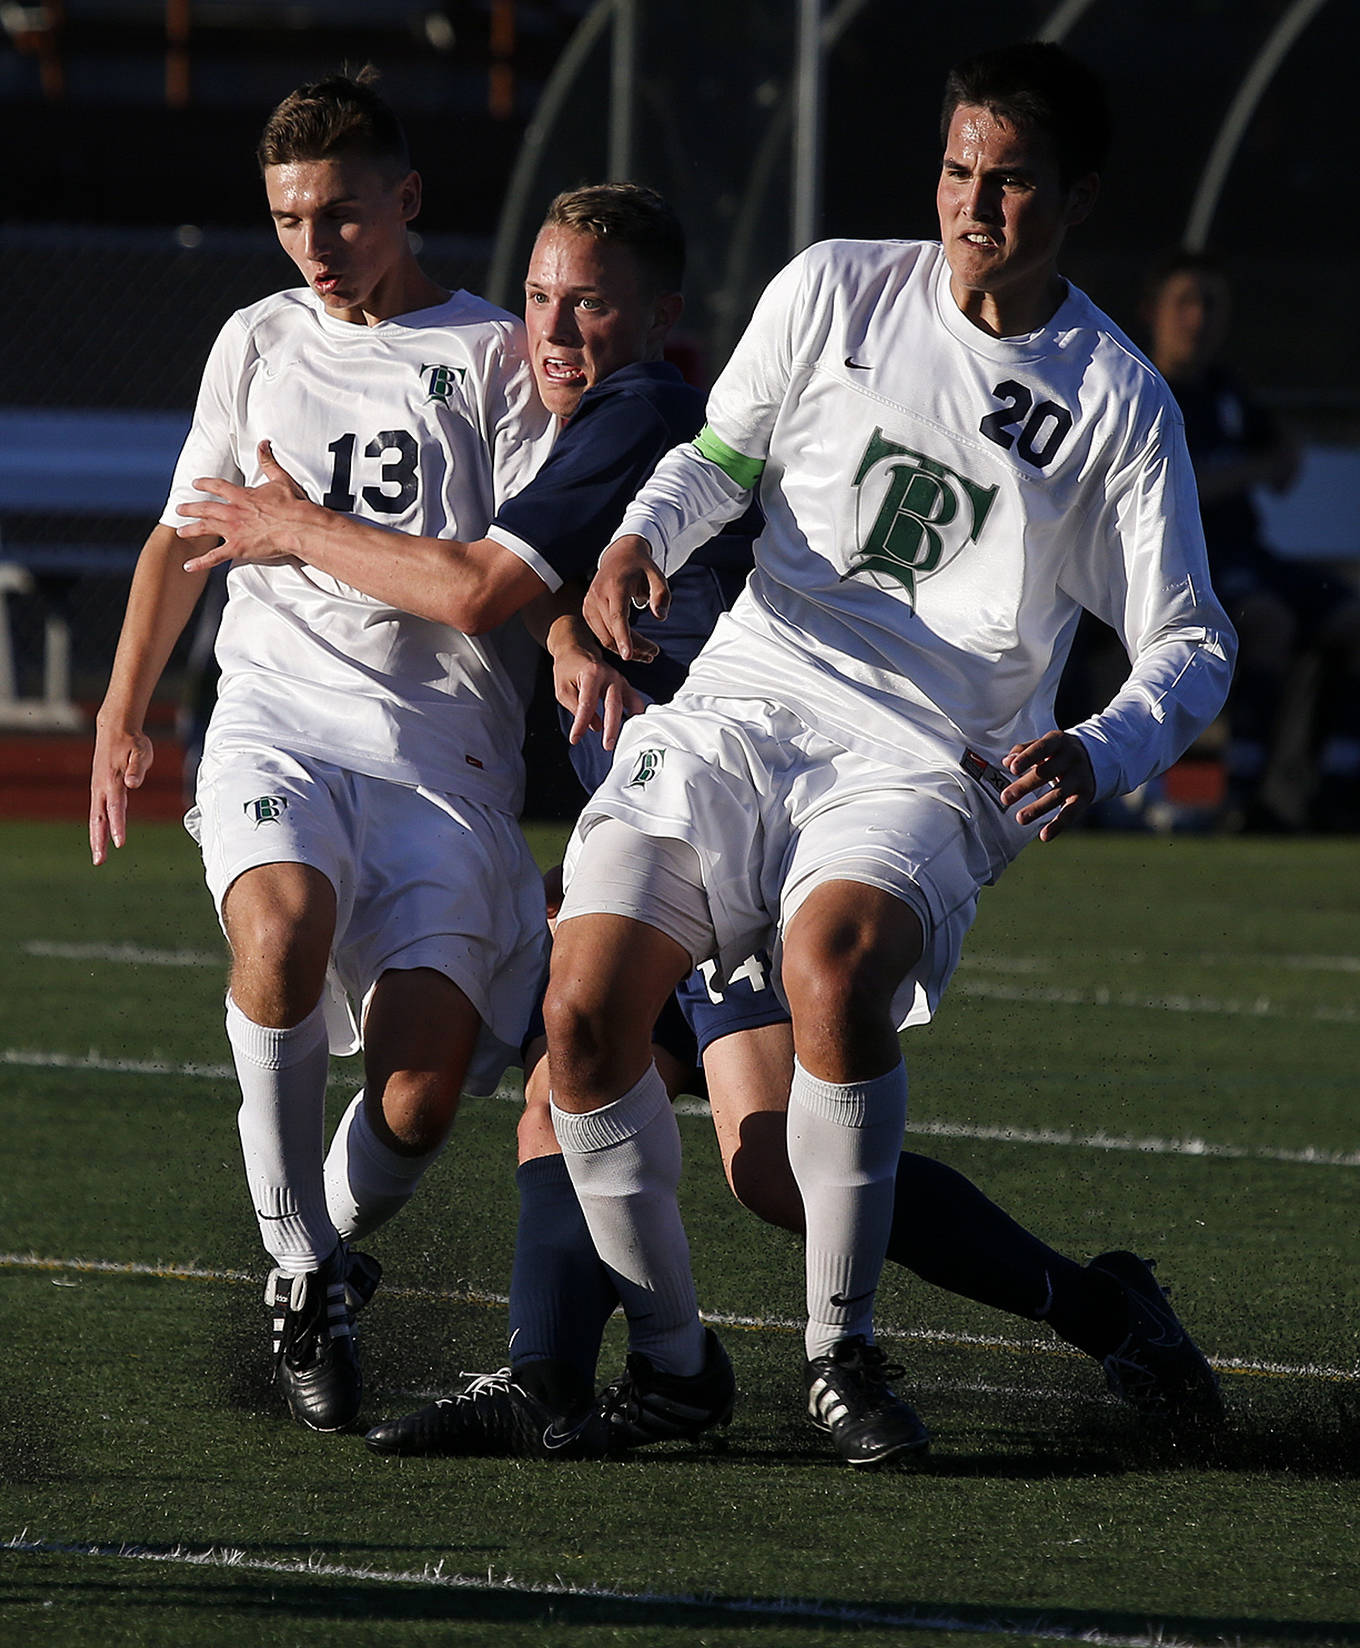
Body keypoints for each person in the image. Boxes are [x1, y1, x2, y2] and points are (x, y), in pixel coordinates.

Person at [183, 183, 1224, 1463]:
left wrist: (291, 527)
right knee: (580, 1070)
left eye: (591, 306)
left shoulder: (638, 413)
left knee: (767, 1164)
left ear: (660, 321)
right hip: (679, 803)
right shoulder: (556, 427)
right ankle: (557, 1372)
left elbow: (478, 582)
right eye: (540, 301)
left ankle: (1067, 1307)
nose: (556, 333)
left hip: (769, 815)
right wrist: (570, 637)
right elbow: (537, 583)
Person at [556, 40, 1235, 1469]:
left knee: (839, 963)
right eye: (955, 169)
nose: (971, 204)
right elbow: (717, 464)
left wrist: (1105, 747)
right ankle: (673, 1369)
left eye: (1009, 181)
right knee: (592, 1027)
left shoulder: (1116, 399)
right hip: (751, 700)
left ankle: (839, 1358)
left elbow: (1192, 642)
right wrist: (638, 542)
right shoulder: (833, 288)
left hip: (935, 754)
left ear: (1077, 198)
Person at [90, 72, 577, 1435]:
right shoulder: (257, 339)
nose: (315, 245)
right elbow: (183, 537)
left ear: (407, 202)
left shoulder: (492, 357)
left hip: (444, 765)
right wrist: (123, 715)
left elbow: (514, 574)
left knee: (420, 1095)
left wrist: (578, 647)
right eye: (290, 218)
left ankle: (328, 1253)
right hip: (276, 721)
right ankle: (301, 1273)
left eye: (343, 215)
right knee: (283, 925)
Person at [1142, 249, 1360, 833]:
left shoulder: (1227, 391)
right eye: (1186, 302)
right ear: (1155, 312)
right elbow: (1181, 489)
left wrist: (1261, 459)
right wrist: (1246, 469)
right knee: (1265, 621)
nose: (1199, 318)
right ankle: (1238, 793)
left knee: (1349, 616)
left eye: (1212, 304)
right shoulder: (1141, 386)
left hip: (1250, 557)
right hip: (1187, 569)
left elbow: (1286, 468)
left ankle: (1334, 782)